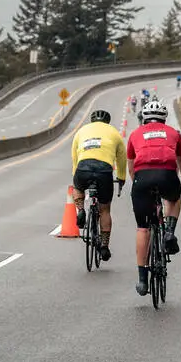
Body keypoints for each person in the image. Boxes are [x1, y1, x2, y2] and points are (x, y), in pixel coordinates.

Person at [127, 98, 181, 296]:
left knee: (143, 228)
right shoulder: (173, 133)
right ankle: (169, 232)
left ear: (144, 119)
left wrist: (139, 184)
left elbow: (131, 166)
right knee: (174, 198)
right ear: (164, 119)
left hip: (142, 178)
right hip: (166, 175)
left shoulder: (135, 134)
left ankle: (142, 281)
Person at [71, 108, 127, 262]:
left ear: (92, 121)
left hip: (83, 167)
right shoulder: (114, 132)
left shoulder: (82, 131)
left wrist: (76, 175)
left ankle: (81, 209)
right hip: (104, 171)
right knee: (104, 209)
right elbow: (122, 159)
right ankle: (104, 246)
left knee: (77, 188)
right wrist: (121, 178)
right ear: (107, 122)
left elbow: (74, 156)